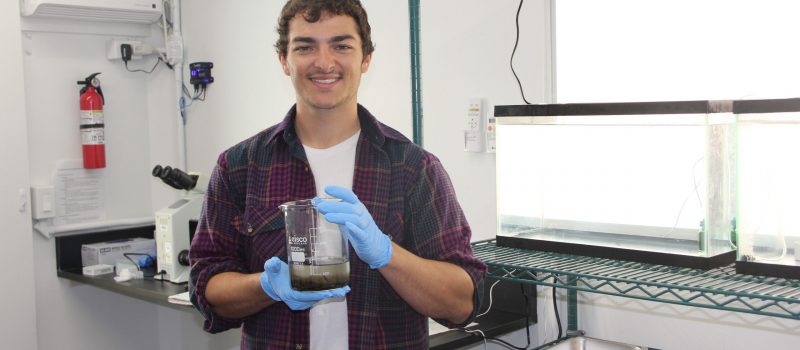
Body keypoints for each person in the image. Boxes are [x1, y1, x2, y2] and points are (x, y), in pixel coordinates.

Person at [189, 0, 487, 348]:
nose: (324, 62)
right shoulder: (239, 167)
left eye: (341, 45)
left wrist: (388, 255)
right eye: (305, 47)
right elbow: (205, 288)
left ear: (366, 59)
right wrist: (266, 287)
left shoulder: (414, 169)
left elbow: (462, 302)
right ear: (284, 60)